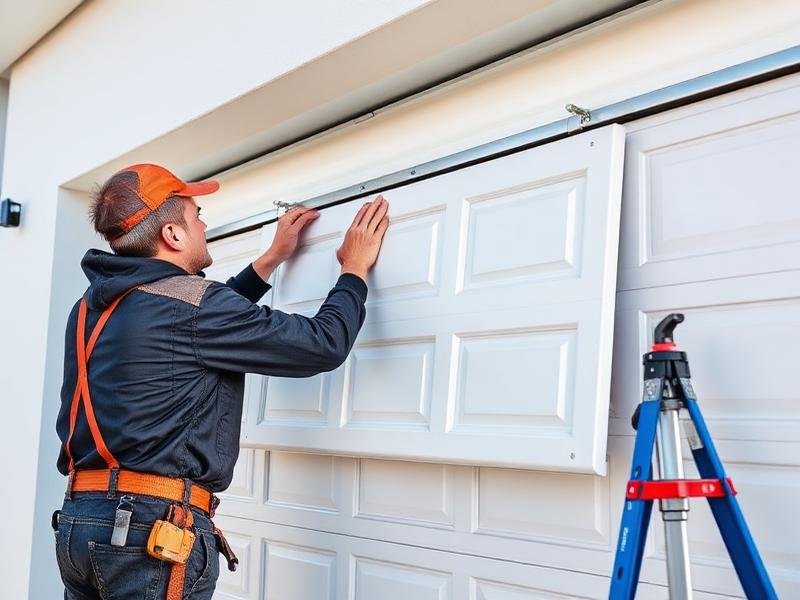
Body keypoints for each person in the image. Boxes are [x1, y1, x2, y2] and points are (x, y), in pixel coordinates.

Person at [52, 163, 389, 600]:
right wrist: (354, 269)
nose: (204, 224)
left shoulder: (89, 309)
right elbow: (322, 343)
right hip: (148, 534)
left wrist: (268, 262)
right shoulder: (192, 308)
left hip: (82, 522)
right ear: (172, 235)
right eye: (196, 216)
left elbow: (190, 329)